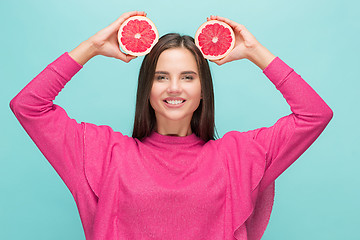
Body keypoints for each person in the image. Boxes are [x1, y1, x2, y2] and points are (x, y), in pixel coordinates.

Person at [9, 10, 333, 240]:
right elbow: (28, 106)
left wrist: (254, 52)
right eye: (161, 77)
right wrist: (92, 47)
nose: (174, 88)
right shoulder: (106, 153)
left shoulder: (237, 155)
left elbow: (314, 115)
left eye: (187, 77)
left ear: (203, 89)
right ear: (146, 88)